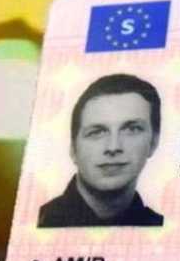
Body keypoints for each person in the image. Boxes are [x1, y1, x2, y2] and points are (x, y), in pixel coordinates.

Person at [38, 74, 164, 227]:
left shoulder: (162, 227)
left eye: (132, 129)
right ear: (73, 148)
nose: (113, 147)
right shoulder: (38, 223)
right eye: (96, 132)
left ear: (153, 142)